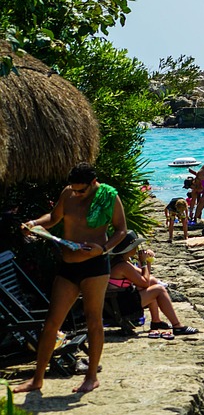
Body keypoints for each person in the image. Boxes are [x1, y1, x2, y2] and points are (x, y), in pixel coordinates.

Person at [16, 162, 128, 394]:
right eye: (74, 189)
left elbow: (121, 230)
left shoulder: (109, 196)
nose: (76, 193)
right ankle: (37, 379)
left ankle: (91, 377)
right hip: (68, 266)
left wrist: (103, 248)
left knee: (93, 319)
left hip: (95, 265)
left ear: (93, 182)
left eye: (81, 190)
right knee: (51, 323)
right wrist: (35, 224)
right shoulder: (68, 193)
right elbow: (54, 217)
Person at [108, 232, 198, 338]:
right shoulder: (123, 266)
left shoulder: (122, 262)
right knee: (159, 290)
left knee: (153, 282)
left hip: (120, 300)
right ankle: (177, 326)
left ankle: (156, 321)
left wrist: (147, 262)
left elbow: (146, 277)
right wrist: (144, 263)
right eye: (135, 246)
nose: (137, 249)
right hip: (121, 306)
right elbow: (145, 282)